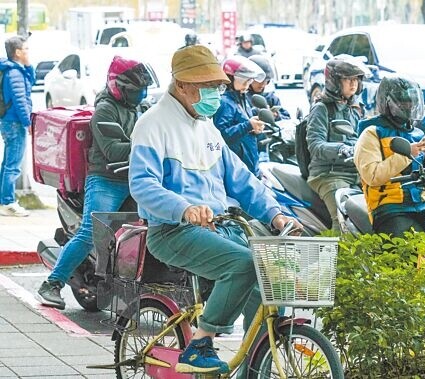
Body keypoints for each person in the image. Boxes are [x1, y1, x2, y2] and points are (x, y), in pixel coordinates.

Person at [128, 45, 303, 375]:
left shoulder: (206, 126)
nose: (214, 92)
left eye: (218, 86)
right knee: (244, 264)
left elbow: (240, 179)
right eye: (207, 86)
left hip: (220, 226)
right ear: (181, 85)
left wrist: (275, 213)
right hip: (172, 231)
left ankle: (256, 362)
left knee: (267, 281)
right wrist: (184, 208)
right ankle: (201, 344)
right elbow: (142, 185)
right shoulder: (152, 125)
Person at [37, 55, 153, 310]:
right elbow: (114, 150)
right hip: (107, 179)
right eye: (136, 91)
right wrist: (150, 148)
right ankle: (52, 283)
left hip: (136, 177)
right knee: (91, 231)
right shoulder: (105, 110)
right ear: (118, 87)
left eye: (143, 91)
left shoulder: (140, 108)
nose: (141, 95)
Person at [354, 76, 425, 236]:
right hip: (391, 207)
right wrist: (408, 155)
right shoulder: (373, 133)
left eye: (411, 102)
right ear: (387, 103)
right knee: (407, 253)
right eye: (403, 102)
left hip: (422, 203)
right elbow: (372, 176)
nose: (409, 106)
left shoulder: (417, 134)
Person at [306, 56, 367, 231]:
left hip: (356, 172)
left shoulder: (355, 108)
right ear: (334, 81)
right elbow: (315, 146)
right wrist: (341, 148)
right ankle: (337, 258)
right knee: (343, 220)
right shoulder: (321, 109)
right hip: (329, 175)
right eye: (347, 79)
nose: (353, 84)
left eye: (356, 79)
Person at [213, 55, 266, 177]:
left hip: (249, 165)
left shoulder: (242, 98)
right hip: (236, 170)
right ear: (230, 78)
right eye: (244, 80)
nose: (248, 84)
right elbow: (221, 136)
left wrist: (254, 128)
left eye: (250, 80)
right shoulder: (225, 103)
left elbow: (243, 127)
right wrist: (248, 125)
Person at [0, 35, 35, 217]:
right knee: (13, 165)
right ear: (18, 52)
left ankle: (4, 200)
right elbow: (20, 101)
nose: (28, 52)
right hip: (14, 123)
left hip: (9, 122)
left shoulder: (15, 70)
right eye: (26, 49)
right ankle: (8, 202)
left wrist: (28, 65)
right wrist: (27, 123)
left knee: (8, 163)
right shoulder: (14, 73)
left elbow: (32, 81)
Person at [247, 54, 291, 121]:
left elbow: (287, 118)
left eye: (266, 81)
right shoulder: (242, 99)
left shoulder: (271, 98)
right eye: (259, 80)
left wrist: (276, 116)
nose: (263, 84)